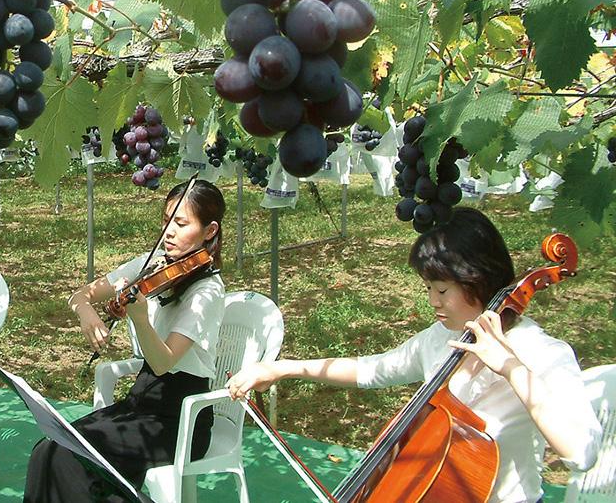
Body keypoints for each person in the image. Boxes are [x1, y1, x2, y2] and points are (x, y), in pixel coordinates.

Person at [227, 207, 602, 503]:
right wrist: (282, 368)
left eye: (441, 290)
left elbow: (581, 452)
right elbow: (372, 370)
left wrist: (510, 368)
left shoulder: (543, 353)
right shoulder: (441, 338)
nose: (433, 303)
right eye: (428, 289)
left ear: (478, 279)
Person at [24, 179, 228, 503]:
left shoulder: (207, 291)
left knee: (67, 460)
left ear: (209, 230)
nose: (169, 232)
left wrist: (141, 319)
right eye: (166, 221)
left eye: (181, 223)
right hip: (140, 404)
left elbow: (163, 362)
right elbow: (82, 294)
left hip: (179, 422)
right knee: (48, 449)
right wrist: (85, 312)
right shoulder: (157, 263)